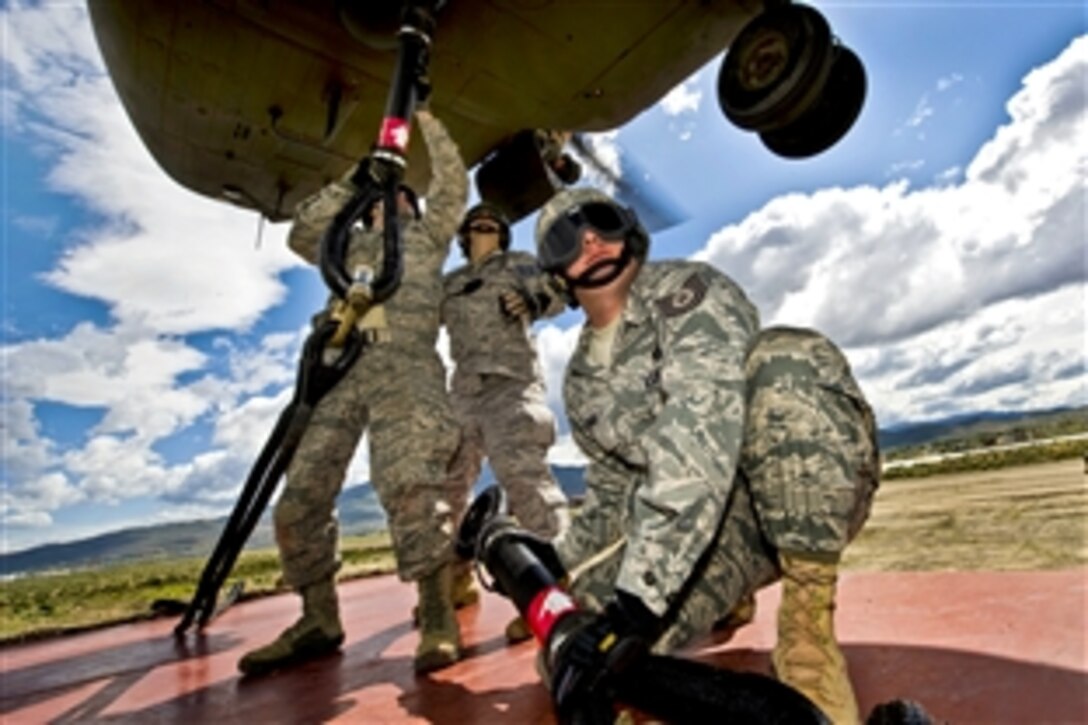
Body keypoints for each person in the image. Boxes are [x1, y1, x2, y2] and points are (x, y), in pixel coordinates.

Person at [530, 187, 880, 724]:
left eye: (599, 221)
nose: (591, 239)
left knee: (785, 360)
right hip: (715, 536)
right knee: (576, 645)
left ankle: (808, 631)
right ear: (556, 269)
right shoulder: (580, 379)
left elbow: (698, 437)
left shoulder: (690, 292)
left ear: (628, 230)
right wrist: (557, 561)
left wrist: (637, 605)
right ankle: (726, 593)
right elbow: (611, 488)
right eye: (565, 236)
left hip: (795, 492)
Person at [238, 107, 469, 677]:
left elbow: (454, 185)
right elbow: (302, 232)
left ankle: (436, 614)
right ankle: (319, 617)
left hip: (405, 367)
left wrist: (428, 124)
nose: (393, 205)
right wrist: (358, 179)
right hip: (341, 365)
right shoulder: (349, 246)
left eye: (401, 198)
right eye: (383, 201)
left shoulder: (428, 237)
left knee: (412, 486)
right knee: (301, 496)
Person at [441, 202, 571, 640]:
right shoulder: (450, 284)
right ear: (463, 236)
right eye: (477, 225)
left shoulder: (519, 265)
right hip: (464, 392)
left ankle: (556, 586)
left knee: (523, 478)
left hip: (511, 385)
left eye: (494, 226)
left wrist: (534, 299)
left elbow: (558, 292)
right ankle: (455, 580)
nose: (485, 230)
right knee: (448, 485)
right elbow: (413, 321)